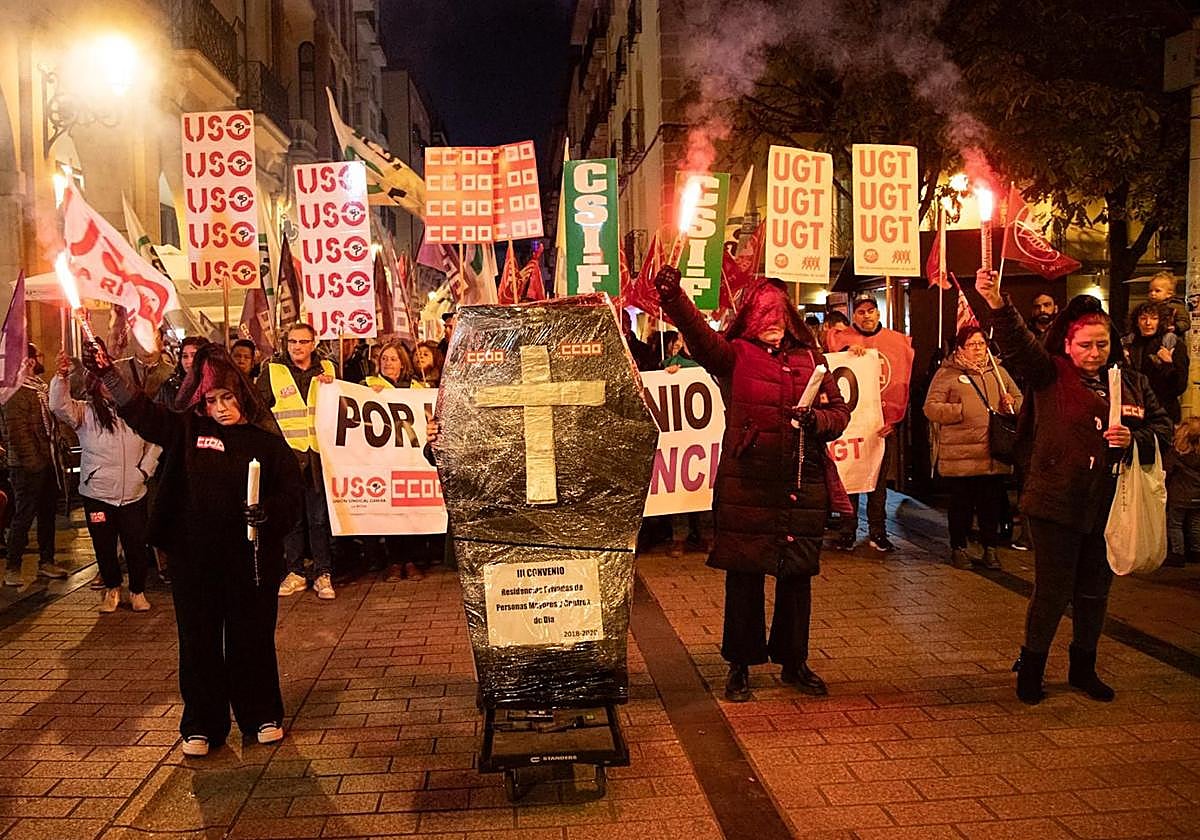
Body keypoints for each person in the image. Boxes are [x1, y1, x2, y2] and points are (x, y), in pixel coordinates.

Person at [83, 340, 301, 756]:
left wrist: (268, 513)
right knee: (198, 640)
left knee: (250, 638)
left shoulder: (266, 441)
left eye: (227, 398)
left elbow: (291, 494)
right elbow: (146, 416)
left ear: (243, 396)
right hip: (195, 558)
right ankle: (202, 723)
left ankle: (261, 715)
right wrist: (109, 374)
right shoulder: (187, 430)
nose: (220, 408)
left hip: (250, 561)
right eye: (212, 399)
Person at [656, 266, 851, 702]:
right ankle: (740, 665)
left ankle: (793, 662)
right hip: (749, 484)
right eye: (766, 320)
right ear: (752, 320)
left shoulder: (810, 357)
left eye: (781, 319)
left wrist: (816, 419)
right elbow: (702, 340)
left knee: (796, 578)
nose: (775, 328)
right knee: (744, 579)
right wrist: (675, 299)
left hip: (801, 484)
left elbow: (839, 413)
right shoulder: (736, 355)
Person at [976, 268, 1171, 705]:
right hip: (1055, 501)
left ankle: (1084, 666)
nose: (1095, 353)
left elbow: (1162, 427)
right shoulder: (1049, 374)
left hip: (1109, 503)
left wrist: (1134, 439)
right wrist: (996, 301)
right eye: (1086, 345)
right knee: (1052, 591)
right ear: (1067, 344)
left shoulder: (1131, 380)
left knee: (1094, 592)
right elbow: (1017, 344)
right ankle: (1032, 667)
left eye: (1102, 344)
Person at [50, 351, 161, 612]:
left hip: (133, 492)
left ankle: (137, 591)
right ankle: (112, 588)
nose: (110, 387)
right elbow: (57, 405)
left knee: (135, 545)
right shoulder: (85, 413)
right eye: (104, 381)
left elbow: (155, 442)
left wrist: (143, 472)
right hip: (97, 493)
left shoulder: (138, 413)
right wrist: (61, 376)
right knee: (104, 545)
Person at [923, 325, 1022, 570]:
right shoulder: (946, 374)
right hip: (960, 456)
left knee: (990, 506)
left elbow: (1020, 400)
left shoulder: (998, 372)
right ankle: (959, 547)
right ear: (960, 348)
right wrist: (958, 411)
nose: (978, 349)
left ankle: (990, 548)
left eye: (981, 344)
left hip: (991, 453)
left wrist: (1012, 404)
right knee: (961, 506)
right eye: (972, 344)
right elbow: (931, 408)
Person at [258, 323, 338, 600]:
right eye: (292, 342)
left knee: (318, 519)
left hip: (318, 455)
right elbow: (260, 410)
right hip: (288, 455)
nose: (297, 347)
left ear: (313, 343)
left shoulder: (328, 369)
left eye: (303, 342)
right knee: (292, 519)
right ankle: (295, 572)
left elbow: (347, 402)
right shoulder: (273, 371)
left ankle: (323, 573)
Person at [829, 294, 914, 552]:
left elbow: (901, 383)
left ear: (878, 313)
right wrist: (847, 353)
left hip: (881, 427)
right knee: (850, 480)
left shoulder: (896, 342)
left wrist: (895, 420)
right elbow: (833, 366)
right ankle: (847, 531)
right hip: (852, 426)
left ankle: (878, 532)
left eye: (871, 311)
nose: (867, 316)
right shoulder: (843, 340)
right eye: (862, 312)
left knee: (877, 483)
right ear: (854, 315)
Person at [0, 345, 67, 586]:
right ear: (27, 361)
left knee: (48, 513)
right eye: (37, 355)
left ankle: (46, 561)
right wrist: (33, 463)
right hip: (27, 466)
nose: (41, 359)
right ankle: (13, 566)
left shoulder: (39, 387)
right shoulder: (14, 392)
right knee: (24, 515)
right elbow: (17, 433)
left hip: (47, 460)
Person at [361, 342, 424, 582]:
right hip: (381, 459)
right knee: (390, 512)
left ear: (402, 362)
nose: (388, 363)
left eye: (393, 359)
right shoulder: (367, 385)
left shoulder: (416, 386)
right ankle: (395, 562)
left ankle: (411, 560)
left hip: (408, 458)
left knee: (412, 510)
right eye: (384, 359)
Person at [1123, 302, 1188, 424]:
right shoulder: (1129, 344)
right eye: (1143, 318)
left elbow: (1179, 386)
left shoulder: (1171, 343)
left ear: (1161, 321)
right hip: (1137, 413)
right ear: (1136, 321)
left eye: (1154, 318)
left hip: (1165, 413)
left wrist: (1168, 364)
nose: (1148, 323)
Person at [1166, 417, 1200, 567]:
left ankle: (1177, 553)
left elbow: (1168, 470)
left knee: (1175, 524)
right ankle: (1196, 551)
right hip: (1197, 496)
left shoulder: (1176, 455)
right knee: (1195, 524)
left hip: (1179, 496)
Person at [117, 332, 175, 402]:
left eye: (152, 341)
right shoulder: (118, 369)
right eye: (142, 340)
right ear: (134, 342)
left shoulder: (172, 374)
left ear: (161, 344)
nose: (147, 348)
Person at [159, 337, 210, 409]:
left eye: (194, 355)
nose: (189, 361)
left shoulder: (214, 384)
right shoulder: (170, 387)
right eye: (185, 356)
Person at [1147, 271, 1190, 337]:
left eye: (1157, 291)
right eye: (1150, 291)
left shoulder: (1175, 306)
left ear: (1169, 294)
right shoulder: (1149, 307)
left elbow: (1185, 322)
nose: (1153, 294)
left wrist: (1176, 327)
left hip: (1171, 337)